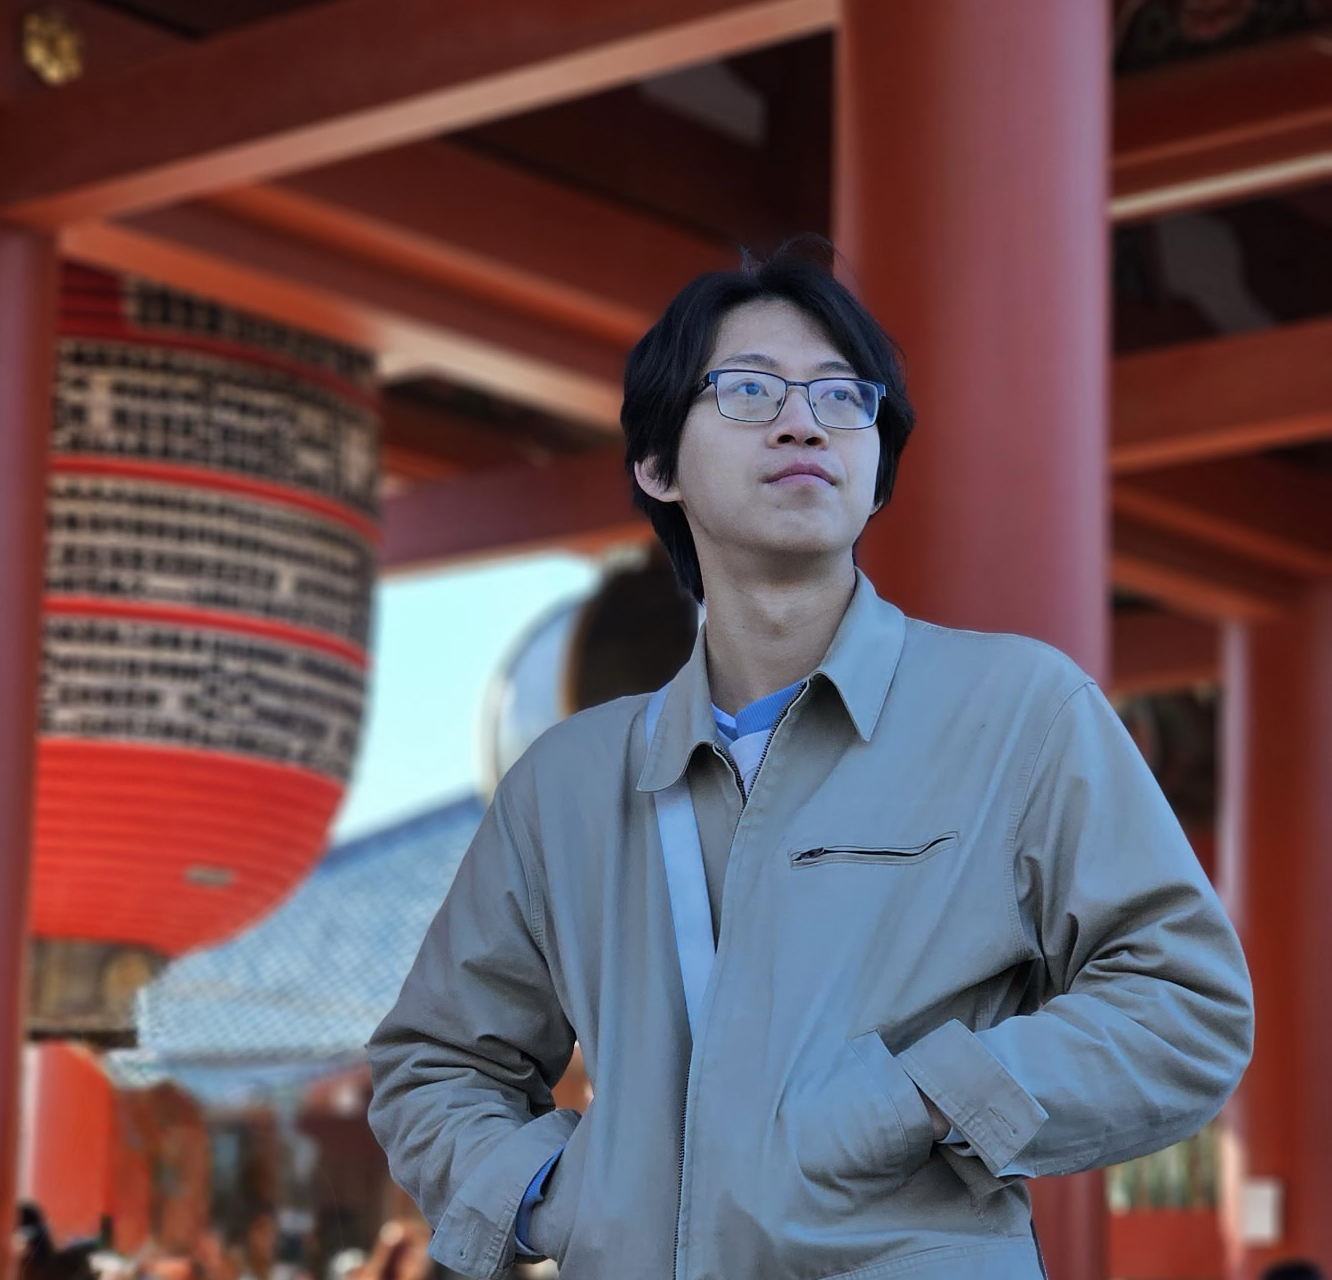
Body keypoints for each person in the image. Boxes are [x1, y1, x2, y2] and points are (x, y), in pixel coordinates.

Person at [366, 242, 1254, 1280]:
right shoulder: (567, 784)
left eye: (843, 397)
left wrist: (917, 1099)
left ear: (876, 468)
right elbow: (430, 1062)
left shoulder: (1018, 711)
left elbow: (1185, 1001)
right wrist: (561, 1197)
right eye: (748, 391)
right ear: (657, 464)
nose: (804, 421)